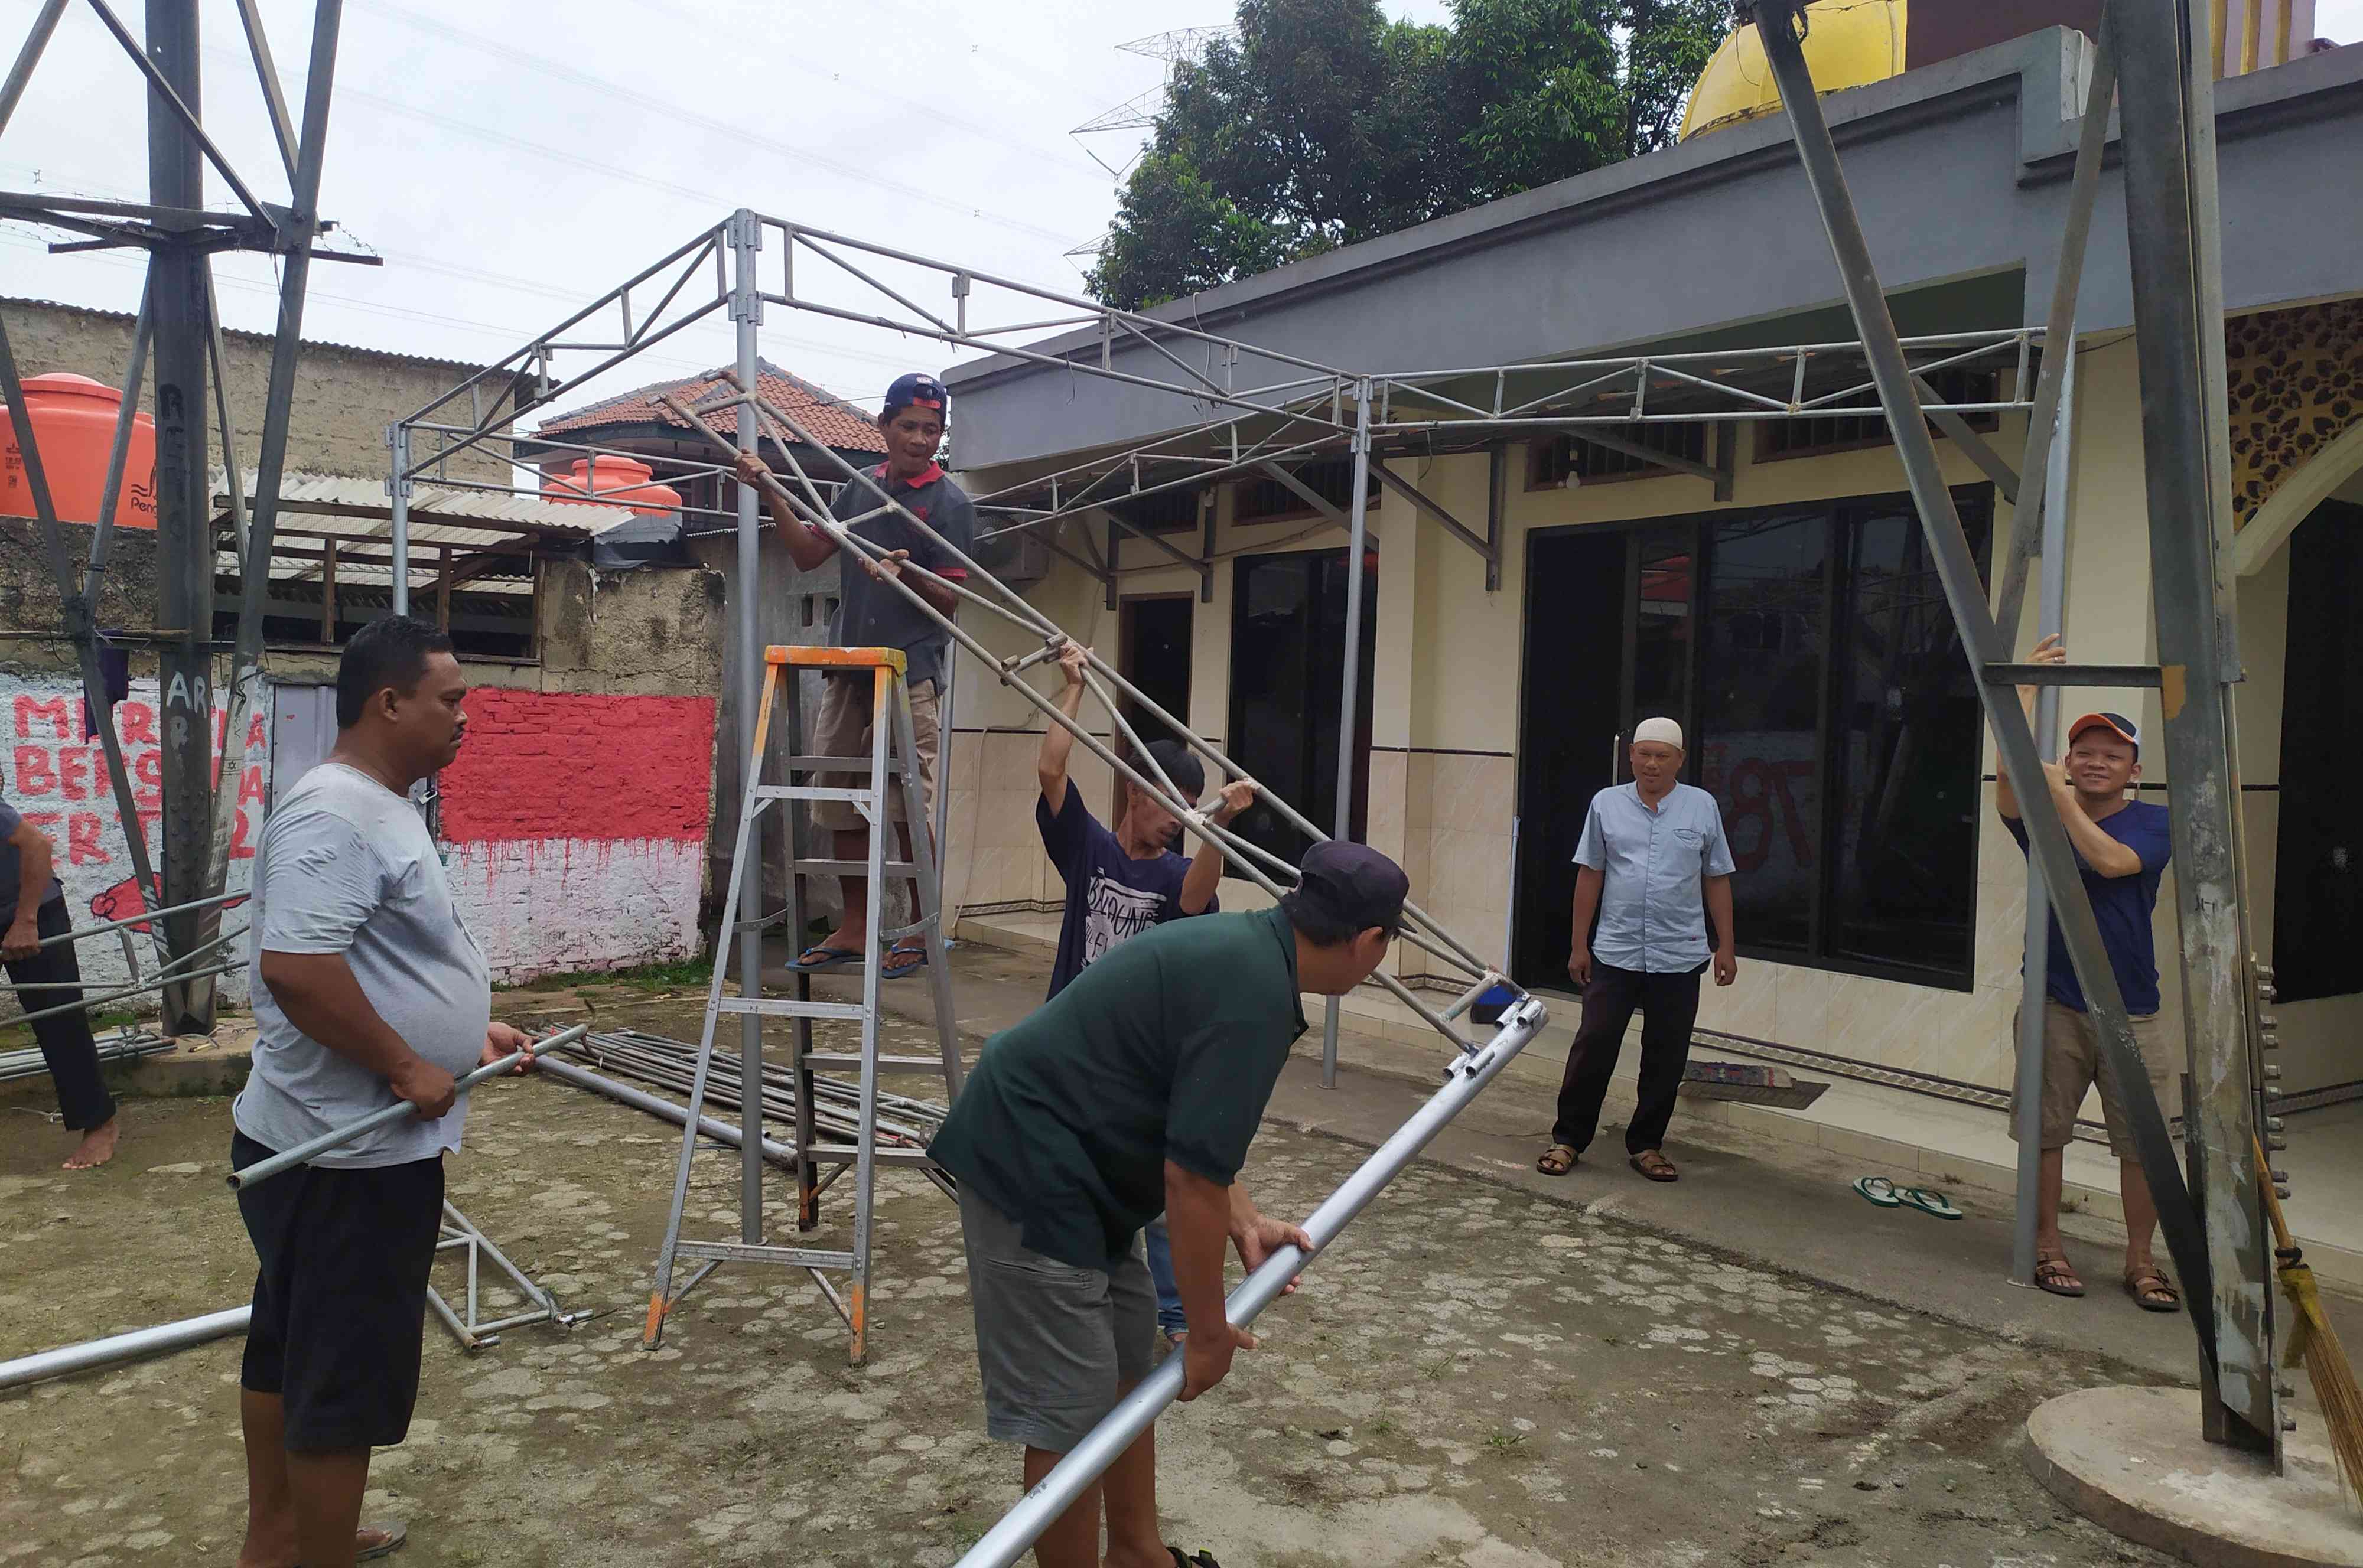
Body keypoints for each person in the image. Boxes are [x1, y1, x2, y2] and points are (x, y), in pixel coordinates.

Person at [930, 841, 1406, 1568]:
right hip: (1031, 1165)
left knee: (1127, 1372)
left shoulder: (1250, 950)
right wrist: (1210, 1333)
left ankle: (1136, 1552)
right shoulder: (1254, 996)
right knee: (1070, 1409)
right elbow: (1188, 1185)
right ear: (1371, 941)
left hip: (1089, 1171)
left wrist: (1243, 1221)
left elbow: (1196, 1141)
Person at [232, 617, 540, 1568]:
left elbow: (374, 954)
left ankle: (286, 1531)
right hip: (345, 1152)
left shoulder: (381, 802)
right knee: (340, 1375)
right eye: (450, 699)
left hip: (337, 1144)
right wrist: (408, 1065)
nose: (464, 718)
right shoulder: (336, 813)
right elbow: (298, 969)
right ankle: (303, 1543)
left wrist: (463, 1032)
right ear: (388, 702)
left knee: (290, 1342)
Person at [1037, 635, 1256, 1346]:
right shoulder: (1091, 850)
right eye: (1177, 804)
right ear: (1137, 790)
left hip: (1137, 1060)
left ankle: (1173, 1315)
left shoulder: (1174, 876)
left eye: (1194, 807)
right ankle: (1079, 1295)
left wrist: (1217, 826)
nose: (1181, 817)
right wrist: (1074, 686)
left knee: (1167, 1188)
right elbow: (1051, 768)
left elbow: (1196, 895)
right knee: (1072, 1183)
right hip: (1072, 1049)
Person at [735, 371, 975, 982]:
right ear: (885, 427)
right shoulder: (861, 490)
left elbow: (949, 600)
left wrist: (906, 573)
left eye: (932, 429)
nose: (921, 439)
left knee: (904, 803)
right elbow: (808, 553)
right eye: (909, 426)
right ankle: (854, 927)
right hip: (851, 670)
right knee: (839, 798)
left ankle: (921, 930)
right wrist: (772, 493)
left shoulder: (949, 503)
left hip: (909, 672)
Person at [1999, 634, 2180, 1314]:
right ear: (2067, 760)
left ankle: (2141, 1259)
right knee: (2044, 1131)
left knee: (2145, 1146)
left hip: (2134, 1009)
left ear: (2133, 770)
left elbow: (2110, 862)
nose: (2096, 762)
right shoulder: (2040, 817)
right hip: (2054, 1001)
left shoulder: (2156, 824)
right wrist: (2021, 693)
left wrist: (2061, 798)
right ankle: (2047, 1245)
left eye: (2112, 756)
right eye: (2084, 753)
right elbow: (2012, 790)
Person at [1537, 717, 1737, 1184]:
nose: (1651, 763)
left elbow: (1717, 877)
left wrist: (1726, 945)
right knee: (1594, 1045)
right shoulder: (1606, 804)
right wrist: (1578, 944)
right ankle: (1568, 1138)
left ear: (1679, 760)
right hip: (1615, 950)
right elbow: (1590, 875)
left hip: (1680, 953)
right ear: (1630, 757)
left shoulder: (1701, 807)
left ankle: (1647, 1144)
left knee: (1666, 1055)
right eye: (1643, 754)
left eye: (1661, 756)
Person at [1, 775, 119, 1169]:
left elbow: (38, 845)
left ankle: (99, 1123)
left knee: (58, 1018)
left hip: (30, 907)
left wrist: (26, 921)